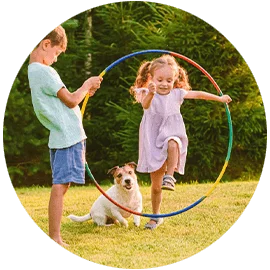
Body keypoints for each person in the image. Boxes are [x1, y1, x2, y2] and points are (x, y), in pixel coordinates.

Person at [130, 55, 232, 229]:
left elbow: (199, 94)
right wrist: (152, 92)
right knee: (155, 187)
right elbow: (145, 106)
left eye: (169, 80)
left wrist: (219, 99)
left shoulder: (177, 94)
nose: (164, 83)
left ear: (175, 79)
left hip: (171, 132)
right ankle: (155, 216)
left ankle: (170, 176)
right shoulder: (146, 92)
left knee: (173, 141)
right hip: (152, 139)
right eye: (160, 79)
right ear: (151, 78)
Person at [27, 25, 103, 245]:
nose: (56, 59)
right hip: (67, 136)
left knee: (63, 184)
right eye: (57, 53)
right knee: (60, 185)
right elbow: (70, 100)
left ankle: (55, 235)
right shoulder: (44, 71)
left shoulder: (34, 72)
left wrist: (84, 92)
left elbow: (65, 101)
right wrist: (86, 84)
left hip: (62, 135)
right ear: (46, 44)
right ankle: (55, 237)